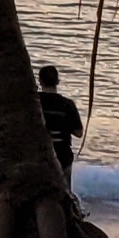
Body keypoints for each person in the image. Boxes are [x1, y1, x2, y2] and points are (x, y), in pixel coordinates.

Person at [36, 63, 85, 191]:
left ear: (40, 81)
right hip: (62, 156)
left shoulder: (34, 102)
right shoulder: (67, 105)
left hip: (38, 156)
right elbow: (79, 133)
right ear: (57, 81)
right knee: (64, 194)